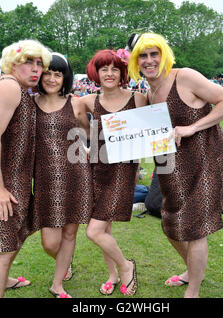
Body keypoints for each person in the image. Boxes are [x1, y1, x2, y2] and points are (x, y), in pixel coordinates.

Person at [127, 32, 223, 298]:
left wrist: (193, 127)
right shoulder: (149, 91)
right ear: (135, 61)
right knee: (171, 224)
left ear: (164, 54)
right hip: (174, 168)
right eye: (143, 55)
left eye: (155, 53)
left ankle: (194, 291)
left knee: (196, 228)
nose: (150, 60)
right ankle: (192, 269)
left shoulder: (185, 76)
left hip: (207, 161)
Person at [0, 39, 51, 298]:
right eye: (29, 62)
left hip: (13, 179)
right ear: (13, 64)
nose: (36, 69)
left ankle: (3, 279)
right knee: (2, 246)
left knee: (19, 231)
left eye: (40, 63)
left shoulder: (18, 89)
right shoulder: (9, 87)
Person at [76, 49, 147, 296]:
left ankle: (126, 267)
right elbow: (80, 127)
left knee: (93, 230)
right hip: (97, 170)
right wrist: (87, 146)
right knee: (104, 229)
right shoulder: (88, 101)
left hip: (123, 172)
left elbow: (153, 127)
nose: (109, 73)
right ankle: (113, 274)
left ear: (122, 72)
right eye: (104, 68)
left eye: (114, 69)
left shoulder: (137, 98)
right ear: (96, 72)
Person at [32, 52, 92, 298]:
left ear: (64, 78)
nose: (53, 79)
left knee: (69, 232)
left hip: (76, 175)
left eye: (58, 74)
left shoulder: (75, 103)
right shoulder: (30, 103)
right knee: (50, 242)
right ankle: (64, 262)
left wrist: (89, 149)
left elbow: (90, 133)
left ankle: (57, 284)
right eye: (48, 73)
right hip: (45, 180)